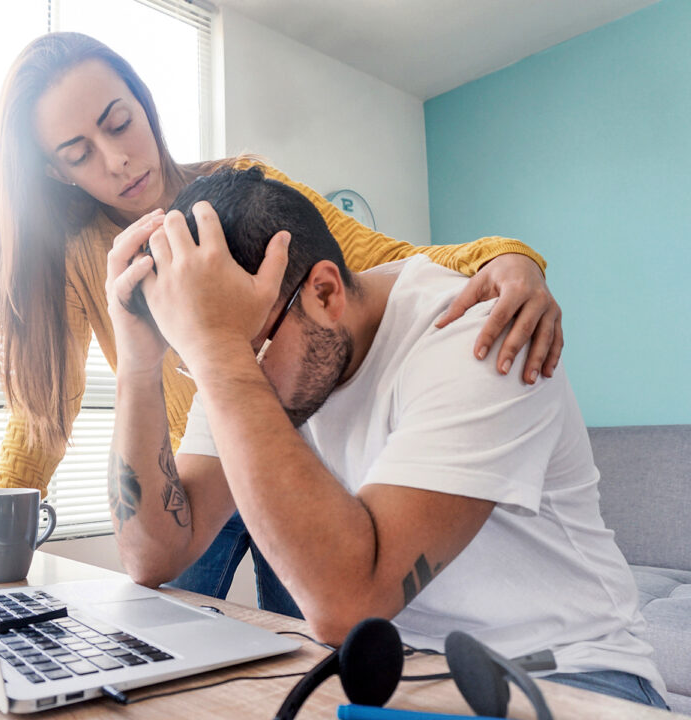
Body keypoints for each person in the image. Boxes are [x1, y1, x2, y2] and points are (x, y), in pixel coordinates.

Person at [0, 32, 565, 604]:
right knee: (158, 613)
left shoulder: (241, 197)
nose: (117, 160)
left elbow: (372, 265)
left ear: (145, 104)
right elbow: (44, 415)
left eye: (119, 123)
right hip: (194, 461)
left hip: (271, 435)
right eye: (79, 154)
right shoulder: (80, 258)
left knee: (311, 621)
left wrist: (507, 258)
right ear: (57, 173)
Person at [103, 165, 667, 708]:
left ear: (324, 293)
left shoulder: (477, 335)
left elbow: (347, 605)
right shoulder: (237, 348)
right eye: (201, 358)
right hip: (400, 679)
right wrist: (137, 363)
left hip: (574, 679)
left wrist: (223, 354)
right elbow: (154, 556)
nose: (220, 380)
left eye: (245, 352)